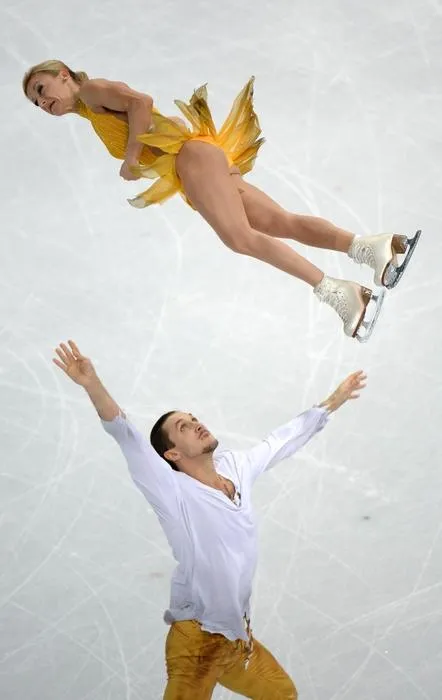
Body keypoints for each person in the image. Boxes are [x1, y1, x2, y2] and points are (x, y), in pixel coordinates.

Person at [53, 339, 367, 699]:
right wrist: (92, 384)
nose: (196, 424)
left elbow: (281, 440)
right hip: (197, 643)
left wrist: (335, 400)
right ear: (171, 453)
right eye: (184, 427)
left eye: (194, 419)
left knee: (283, 695)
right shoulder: (172, 491)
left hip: (236, 641)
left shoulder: (235, 467)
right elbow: (127, 435)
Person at [23, 61, 420, 341]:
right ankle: (373, 248)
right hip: (196, 160)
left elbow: (140, 101)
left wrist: (130, 156)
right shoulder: (90, 112)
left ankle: (343, 294)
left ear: (63, 75)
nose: (43, 102)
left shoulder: (91, 92)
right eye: (36, 102)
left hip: (192, 159)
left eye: (41, 89)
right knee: (279, 222)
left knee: (239, 237)